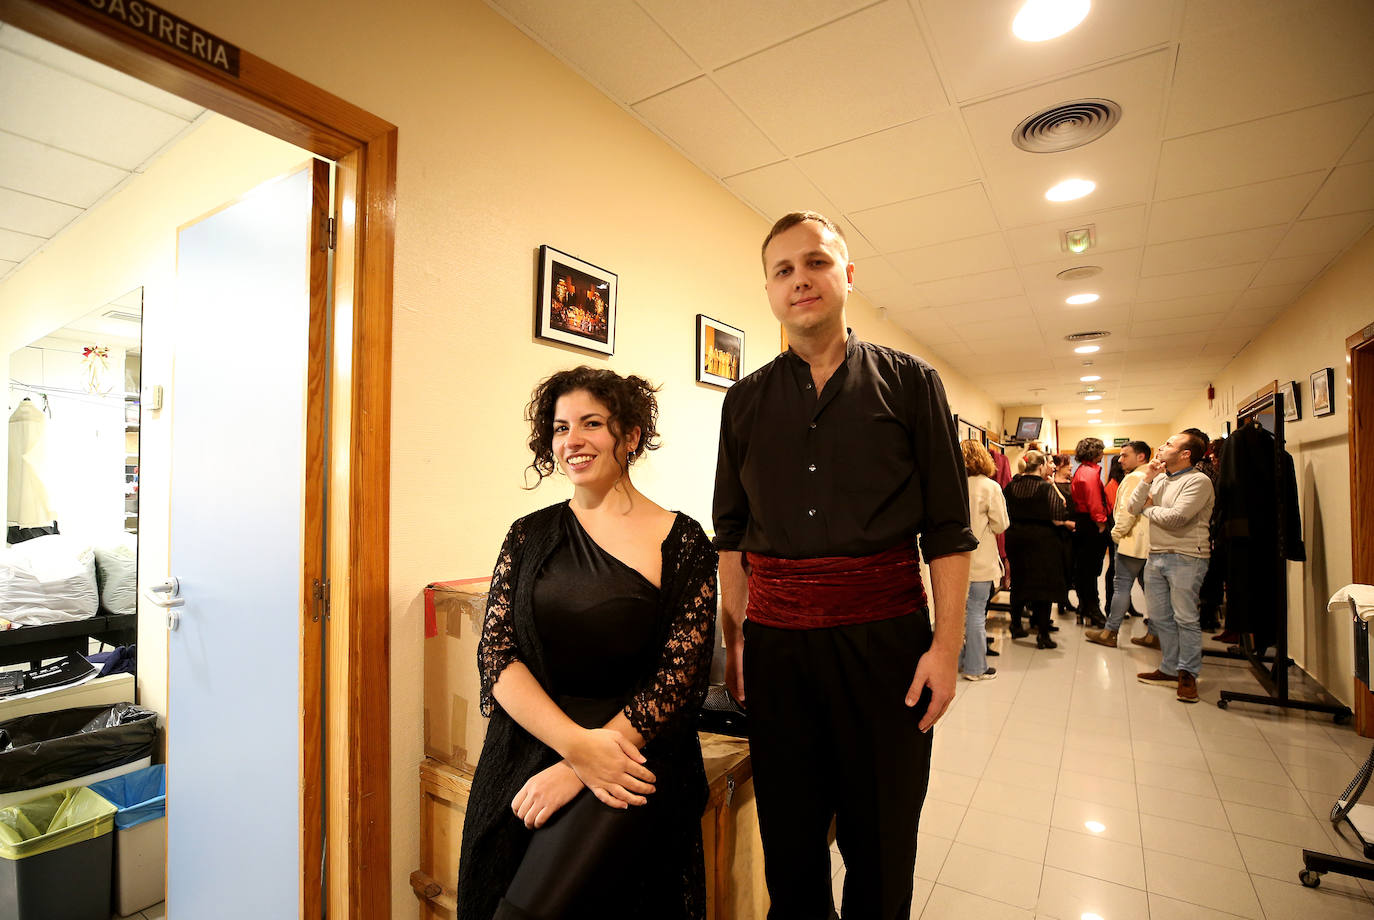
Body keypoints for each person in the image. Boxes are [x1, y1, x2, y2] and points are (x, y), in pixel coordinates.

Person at [713, 211, 974, 920]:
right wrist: (738, 643)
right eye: (783, 270)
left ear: (847, 276)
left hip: (886, 645)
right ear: (769, 291)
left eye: (817, 263)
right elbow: (731, 535)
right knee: (790, 850)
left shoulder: (913, 384)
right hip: (779, 650)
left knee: (883, 846)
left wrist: (946, 650)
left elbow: (949, 533)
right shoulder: (742, 402)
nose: (801, 280)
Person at [457, 367, 718, 920]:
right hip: (528, 745)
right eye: (559, 427)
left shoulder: (684, 541)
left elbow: (680, 675)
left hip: (633, 752)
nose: (571, 440)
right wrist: (575, 748)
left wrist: (587, 763)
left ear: (629, 436)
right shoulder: (528, 534)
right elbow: (497, 653)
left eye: (591, 424)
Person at [1128, 430, 1216, 704]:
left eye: (1169, 444)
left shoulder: (1198, 482)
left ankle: (1188, 674)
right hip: (1157, 555)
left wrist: (1148, 510)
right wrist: (1147, 479)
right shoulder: (1160, 480)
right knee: (1161, 617)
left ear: (1185, 454)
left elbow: (1177, 518)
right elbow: (1133, 506)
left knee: (1185, 618)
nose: (1162, 447)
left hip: (1187, 556)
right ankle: (1168, 667)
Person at [1003, 450, 1075, 648]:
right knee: (1044, 585)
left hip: (1016, 538)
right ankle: (1042, 634)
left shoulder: (1010, 486)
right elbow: (1059, 515)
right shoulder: (1045, 488)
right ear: (1041, 466)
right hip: (1043, 540)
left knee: (1018, 582)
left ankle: (1016, 626)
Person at [1086, 441, 1153, 648]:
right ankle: (1155, 634)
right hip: (1146, 542)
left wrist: (1115, 534)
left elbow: (1126, 512)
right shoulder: (1151, 476)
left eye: (1125, 455)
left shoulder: (1134, 478)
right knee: (1150, 589)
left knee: (1121, 586)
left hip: (1131, 541)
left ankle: (1110, 631)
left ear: (1141, 456)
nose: (1120, 460)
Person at [961, 439, 1009, 680]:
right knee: (977, 613)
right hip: (980, 561)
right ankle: (975, 667)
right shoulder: (989, 487)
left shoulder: (953, 485)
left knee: (958, 615)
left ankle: (961, 659)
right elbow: (1001, 524)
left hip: (956, 562)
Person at [1069, 438, 1110, 628]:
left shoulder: (1083, 471)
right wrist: (1101, 523)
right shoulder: (1089, 473)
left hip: (1084, 522)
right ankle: (1092, 609)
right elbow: (1094, 501)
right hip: (1090, 524)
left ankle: (1085, 608)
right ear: (1095, 452)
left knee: (1084, 570)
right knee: (1090, 570)